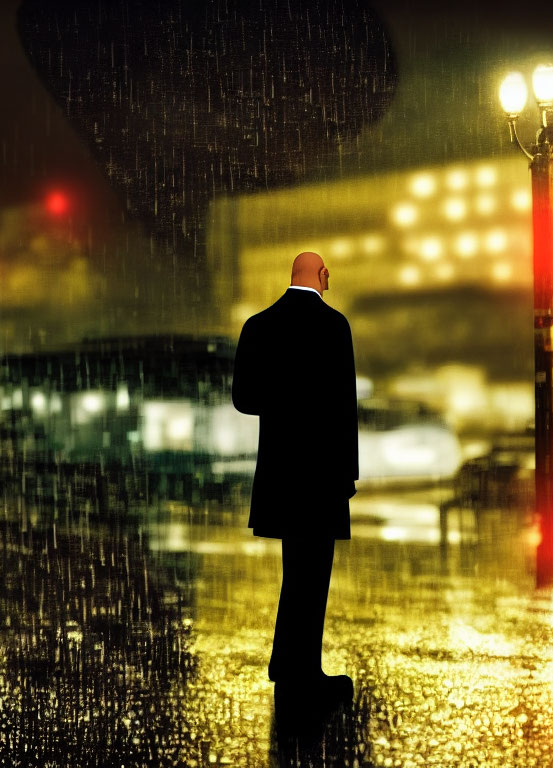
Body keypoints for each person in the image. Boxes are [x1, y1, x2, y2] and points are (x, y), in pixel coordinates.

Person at [231, 251, 359, 706]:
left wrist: (286, 400)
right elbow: (346, 407)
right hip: (322, 473)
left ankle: (289, 664)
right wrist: (349, 474)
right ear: (322, 276)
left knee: (294, 570)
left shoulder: (258, 325)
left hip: (282, 472)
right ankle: (302, 671)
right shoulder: (334, 326)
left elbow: (244, 399)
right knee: (313, 575)